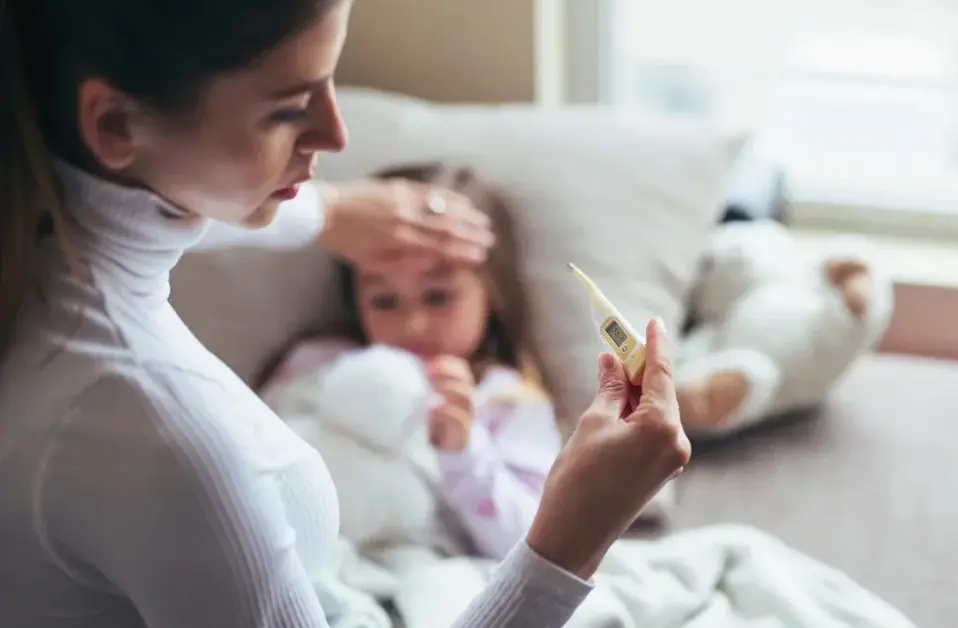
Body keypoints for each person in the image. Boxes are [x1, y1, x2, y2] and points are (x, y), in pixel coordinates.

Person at [0, 1, 691, 627]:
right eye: (286, 109)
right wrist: (569, 546)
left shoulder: (41, 256)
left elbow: (148, 210)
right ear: (115, 123)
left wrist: (329, 212)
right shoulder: (169, 440)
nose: (335, 135)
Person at [260, 163, 562, 561]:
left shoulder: (506, 401)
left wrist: (464, 453)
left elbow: (533, 546)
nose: (413, 324)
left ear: (492, 291)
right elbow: (249, 458)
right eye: (384, 301)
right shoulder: (316, 364)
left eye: (438, 296)